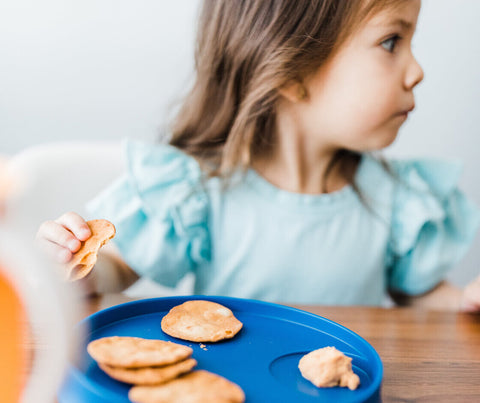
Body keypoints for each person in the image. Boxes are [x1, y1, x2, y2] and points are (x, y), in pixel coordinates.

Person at [36, 0, 480, 310]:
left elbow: (421, 299)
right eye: (391, 42)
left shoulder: (397, 199)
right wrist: (76, 268)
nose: (418, 71)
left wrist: (464, 302)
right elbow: (116, 270)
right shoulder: (196, 191)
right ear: (291, 71)